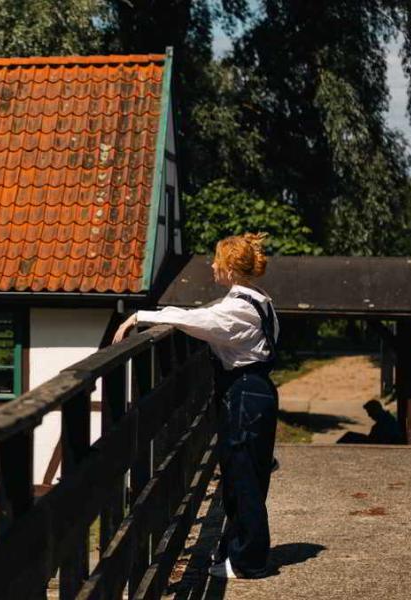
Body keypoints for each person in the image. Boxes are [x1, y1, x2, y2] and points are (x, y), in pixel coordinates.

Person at [113, 232, 280, 579]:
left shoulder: (237, 309)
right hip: (257, 390)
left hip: (245, 392)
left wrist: (141, 316)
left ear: (231, 269)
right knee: (245, 475)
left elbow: (197, 321)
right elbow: (204, 316)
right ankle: (239, 553)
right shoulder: (260, 300)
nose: (213, 266)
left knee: (243, 477)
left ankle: (249, 561)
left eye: (218, 261)